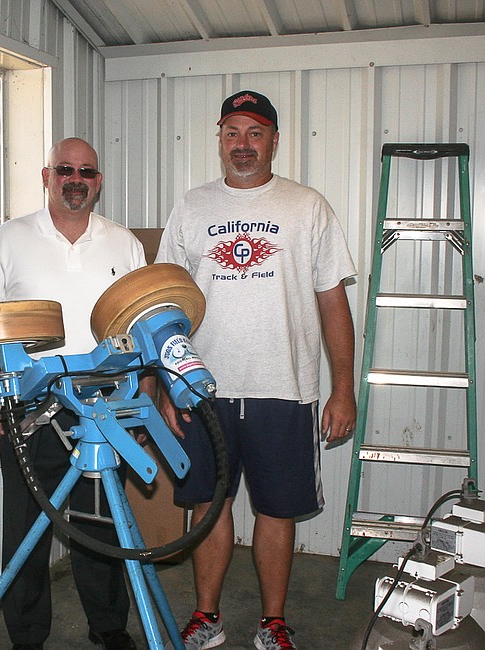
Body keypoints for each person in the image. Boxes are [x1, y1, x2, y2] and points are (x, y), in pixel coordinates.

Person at [156, 90, 357, 650]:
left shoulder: (307, 206)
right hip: (201, 389)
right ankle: (207, 617)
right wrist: (163, 386)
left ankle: (273, 623)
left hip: (284, 389)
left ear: (274, 140)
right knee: (208, 503)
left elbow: (332, 302)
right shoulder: (192, 207)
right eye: (232, 133)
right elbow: (162, 304)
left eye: (255, 132)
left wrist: (343, 389)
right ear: (220, 138)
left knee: (277, 509)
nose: (242, 145)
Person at [0, 137, 146, 650]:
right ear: (47, 176)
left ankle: (109, 628)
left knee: (101, 525)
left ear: (99, 182)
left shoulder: (126, 245)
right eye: (65, 170)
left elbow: (141, 327)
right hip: (30, 407)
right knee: (26, 532)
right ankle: (27, 637)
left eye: (87, 172)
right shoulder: (7, 240)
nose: (76, 179)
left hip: (102, 408)